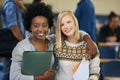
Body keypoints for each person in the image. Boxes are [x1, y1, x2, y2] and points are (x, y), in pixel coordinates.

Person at [54, 11, 100, 80]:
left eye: (69, 22)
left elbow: (95, 71)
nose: (66, 26)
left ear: (75, 23)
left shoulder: (90, 45)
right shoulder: (57, 44)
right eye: (62, 25)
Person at [0, 0, 25, 80]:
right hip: (13, 42)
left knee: (11, 68)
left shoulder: (16, 5)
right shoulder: (10, 5)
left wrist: (22, 7)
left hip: (14, 42)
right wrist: (23, 41)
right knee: (9, 70)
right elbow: (13, 26)